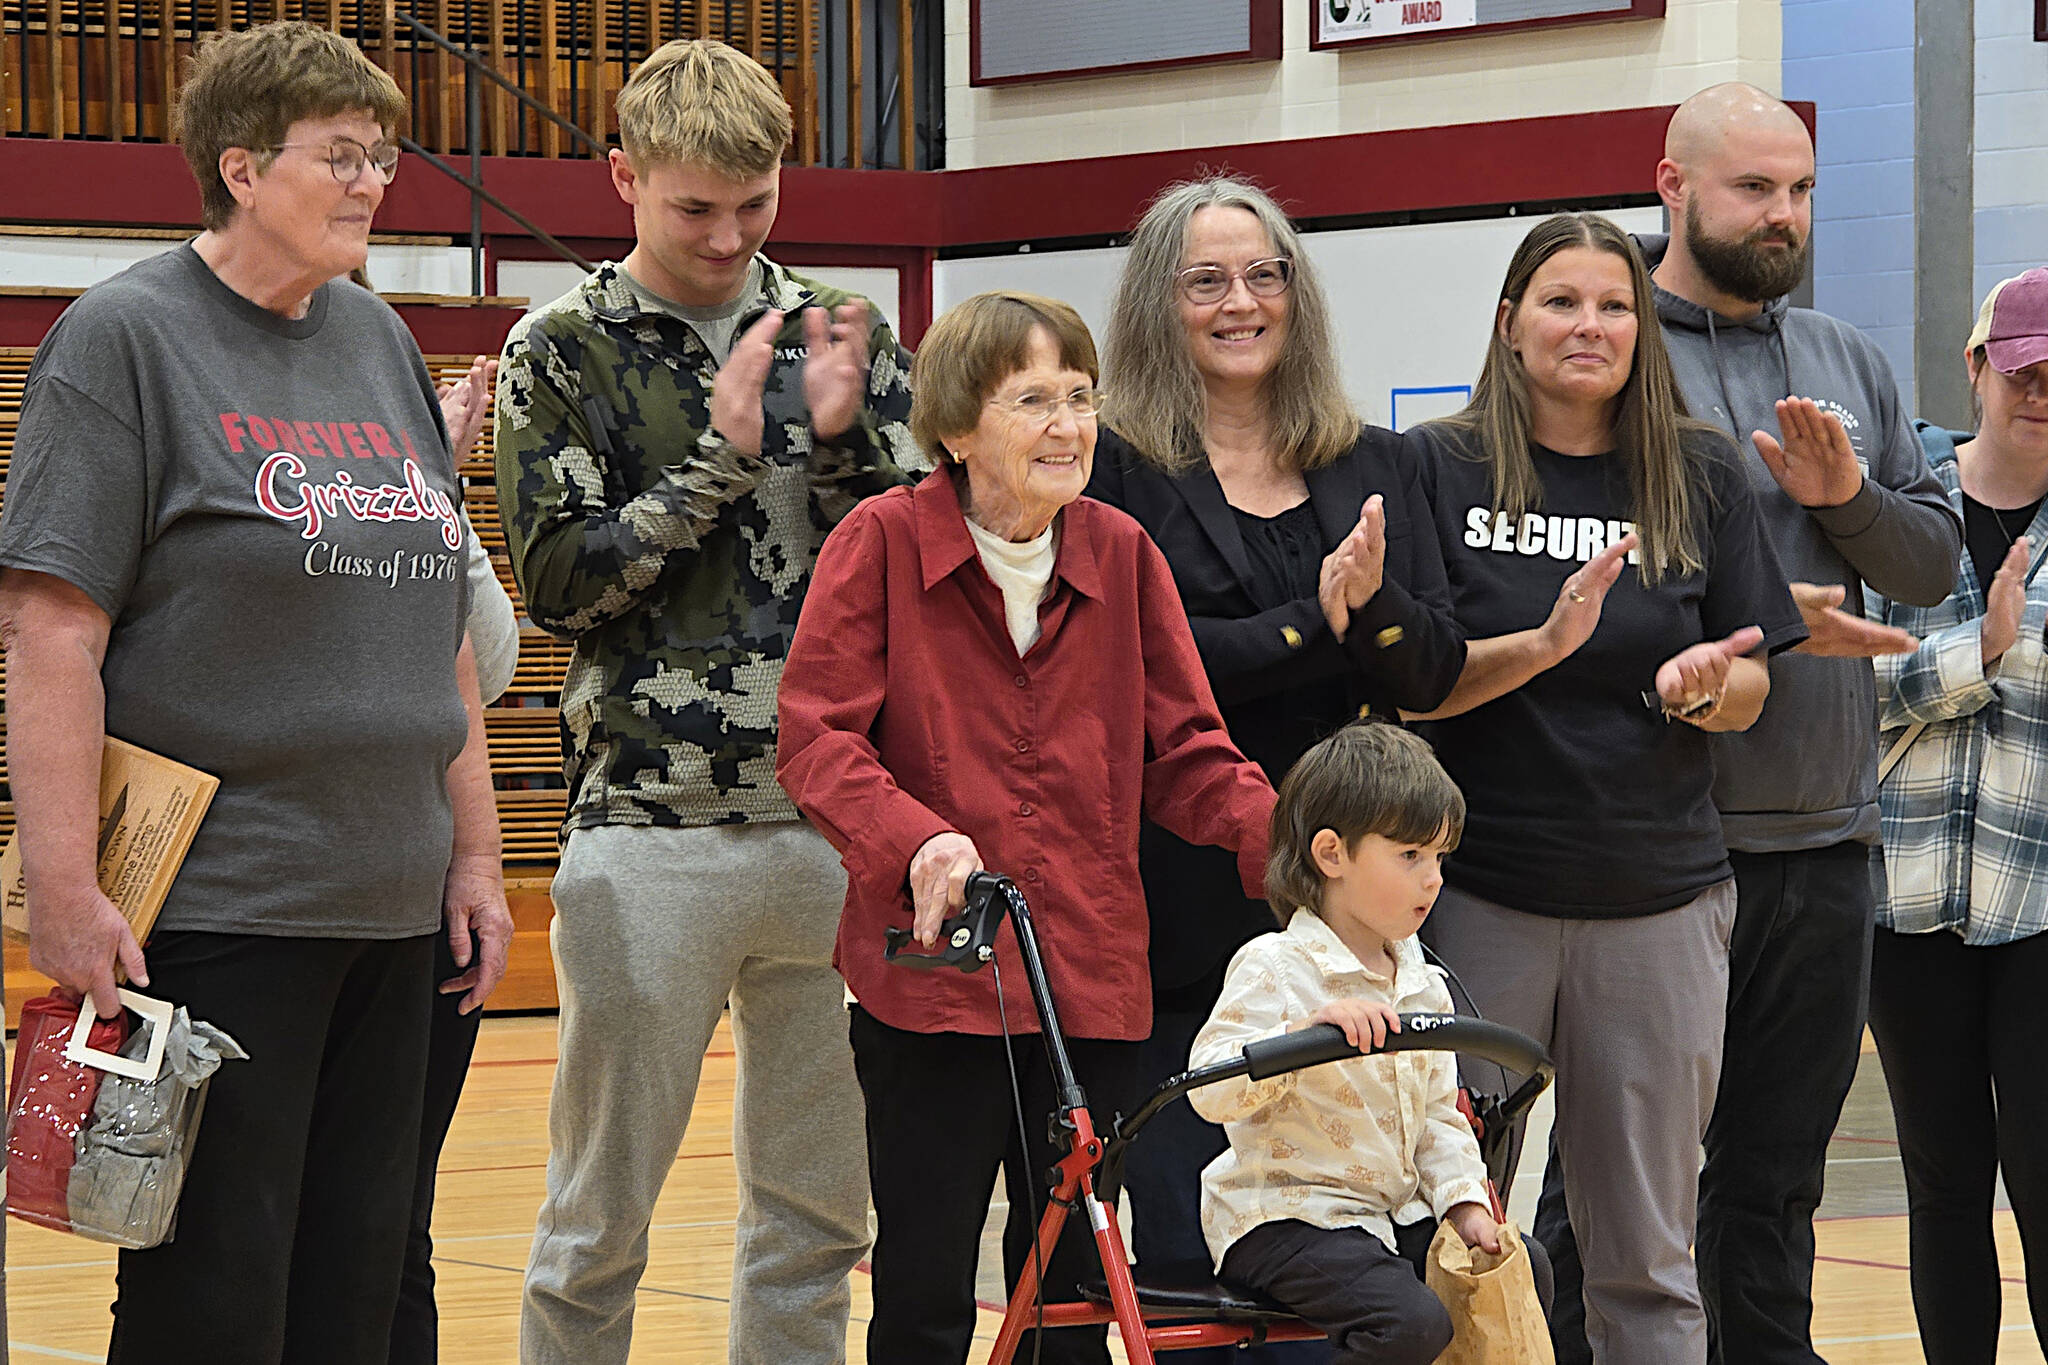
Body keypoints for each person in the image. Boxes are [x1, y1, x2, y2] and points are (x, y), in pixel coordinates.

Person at [0, 22, 511, 1363]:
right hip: (222, 913)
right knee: (215, 1305)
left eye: (382, 158)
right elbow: (52, 630)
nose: (371, 183)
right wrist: (61, 884)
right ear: (238, 166)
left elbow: (437, 610)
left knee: (355, 1295)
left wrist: (476, 853)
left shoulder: (381, 344)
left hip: (393, 913)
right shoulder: (124, 343)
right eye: (339, 156)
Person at [493, 38, 918, 1365]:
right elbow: (564, 584)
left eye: (757, 202)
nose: (729, 235)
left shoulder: (839, 330)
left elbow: (907, 568)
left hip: (834, 822)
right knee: (597, 1221)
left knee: (816, 1221)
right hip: (648, 832)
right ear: (623, 177)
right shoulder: (559, 348)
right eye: (693, 209)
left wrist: (845, 443)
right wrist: (724, 458)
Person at [1533, 84, 1965, 1365]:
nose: (1782, 217)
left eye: (1800, 192)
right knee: (1610, 1195)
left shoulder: (1848, 358)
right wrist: (1769, 619)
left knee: (1773, 1188)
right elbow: (1560, 572)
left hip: (1828, 844)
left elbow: (1931, 558)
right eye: (1751, 190)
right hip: (1652, 854)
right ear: (1670, 186)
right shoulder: (1607, 351)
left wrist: (1841, 498)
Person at [775, 290, 1278, 1365]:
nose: (1068, 426)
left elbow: (1185, 754)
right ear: (957, 429)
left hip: (1083, 985)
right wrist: (918, 840)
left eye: (1080, 398)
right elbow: (817, 741)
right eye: (1032, 400)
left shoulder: (1122, 552)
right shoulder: (879, 542)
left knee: (1070, 1303)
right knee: (920, 1294)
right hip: (931, 986)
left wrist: (1289, 844)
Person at [1408, 211, 1806, 1365]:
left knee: (1643, 1256)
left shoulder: (1698, 471)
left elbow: (1749, 688)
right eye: (1561, 301)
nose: (1590, 325)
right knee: (1434, 1233)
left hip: (1659, 904)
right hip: (1473, 899)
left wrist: (1700, 686)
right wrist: (1540, 643)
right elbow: (1412, 690)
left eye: (1614, 305)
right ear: (1506, 323)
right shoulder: (1437, 466)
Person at [1084, 175, 1463, 1364]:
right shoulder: (1111, 468)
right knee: (1195, 1242)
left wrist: (1374, 609)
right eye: (1206, 280)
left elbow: (1433, 665)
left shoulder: (1376, 460)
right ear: (1159, 303)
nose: (1240, 301)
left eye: (1263, 274)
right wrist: (1316, 621)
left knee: (1354, 1247)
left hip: (1357, 918)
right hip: (1183, 897)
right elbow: (1148, 667)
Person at [1190, 721, 1552, 1365]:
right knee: (1410, 1323)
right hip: (1281, 1216)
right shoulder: (1275, 963)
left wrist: (1467, 1204)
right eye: (1410, 855)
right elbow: (1208, 1090)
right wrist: (1300, 1037)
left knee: (1523, 1267)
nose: (1433, 878)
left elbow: (1441, 1117)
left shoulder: (1423, 983)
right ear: (1332, 854)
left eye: (1439, 857)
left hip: (1388, 1218)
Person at [1863, 268, 2048, 1365]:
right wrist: (1972, 655)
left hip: (2040, 905)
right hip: (1903, 896)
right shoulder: (1903, 506)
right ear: (1976, 367)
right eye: (2022, 370)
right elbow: (1843, 694)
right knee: (1940, 1184)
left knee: (2044, 1176)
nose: (2040, 392)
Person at [390, 351, 521, 1365]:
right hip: (270, 894)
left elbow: (489, 659)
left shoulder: (414, 490)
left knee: (393, 1224)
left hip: (421, 897)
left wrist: (438, 487)